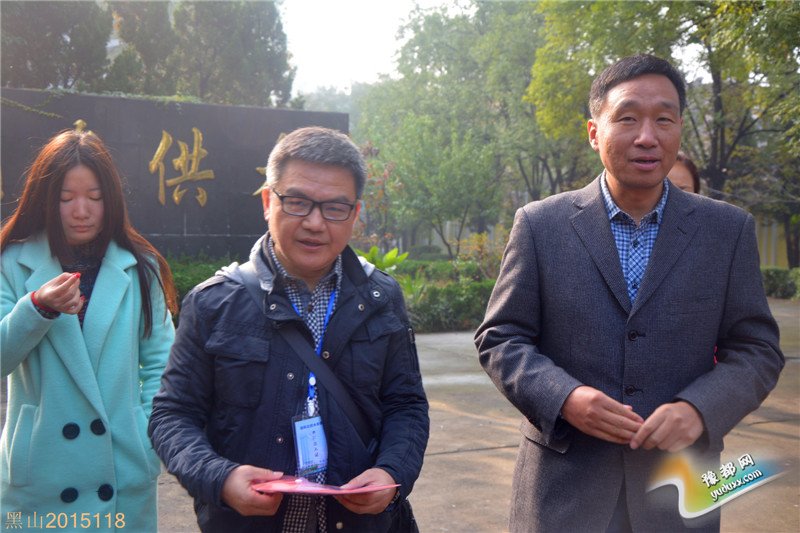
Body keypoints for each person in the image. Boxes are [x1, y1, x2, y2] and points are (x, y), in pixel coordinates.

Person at [475, 54, 784, 532]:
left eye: (664, 119)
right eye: (627, 118)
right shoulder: (541, 225)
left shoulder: (726, 231)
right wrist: (565, 397)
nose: (647, 136)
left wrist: (700, 409)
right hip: (564, 493)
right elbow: (501, 337)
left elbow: (757, 350)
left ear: (679, 129)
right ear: (594, 132)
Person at [149, 126, 429, 532]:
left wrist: (392, 472)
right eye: (297, 202)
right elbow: (173, 415)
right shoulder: (213, 303)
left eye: (335, 208)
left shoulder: (381, 298)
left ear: (355, 213)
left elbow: (406, 405)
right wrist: (220, 478)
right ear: (268, 201)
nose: (315, 223)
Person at [1, 129, 177, 531]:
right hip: (40, 478)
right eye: (66, 198)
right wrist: (37, 308)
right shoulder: (12, 263)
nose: (81, 210)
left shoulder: (140, 267)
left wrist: (147, 439)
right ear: (46, 200)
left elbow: (163, 366)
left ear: (110, 200)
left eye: (94, 197)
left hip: (120, 470)